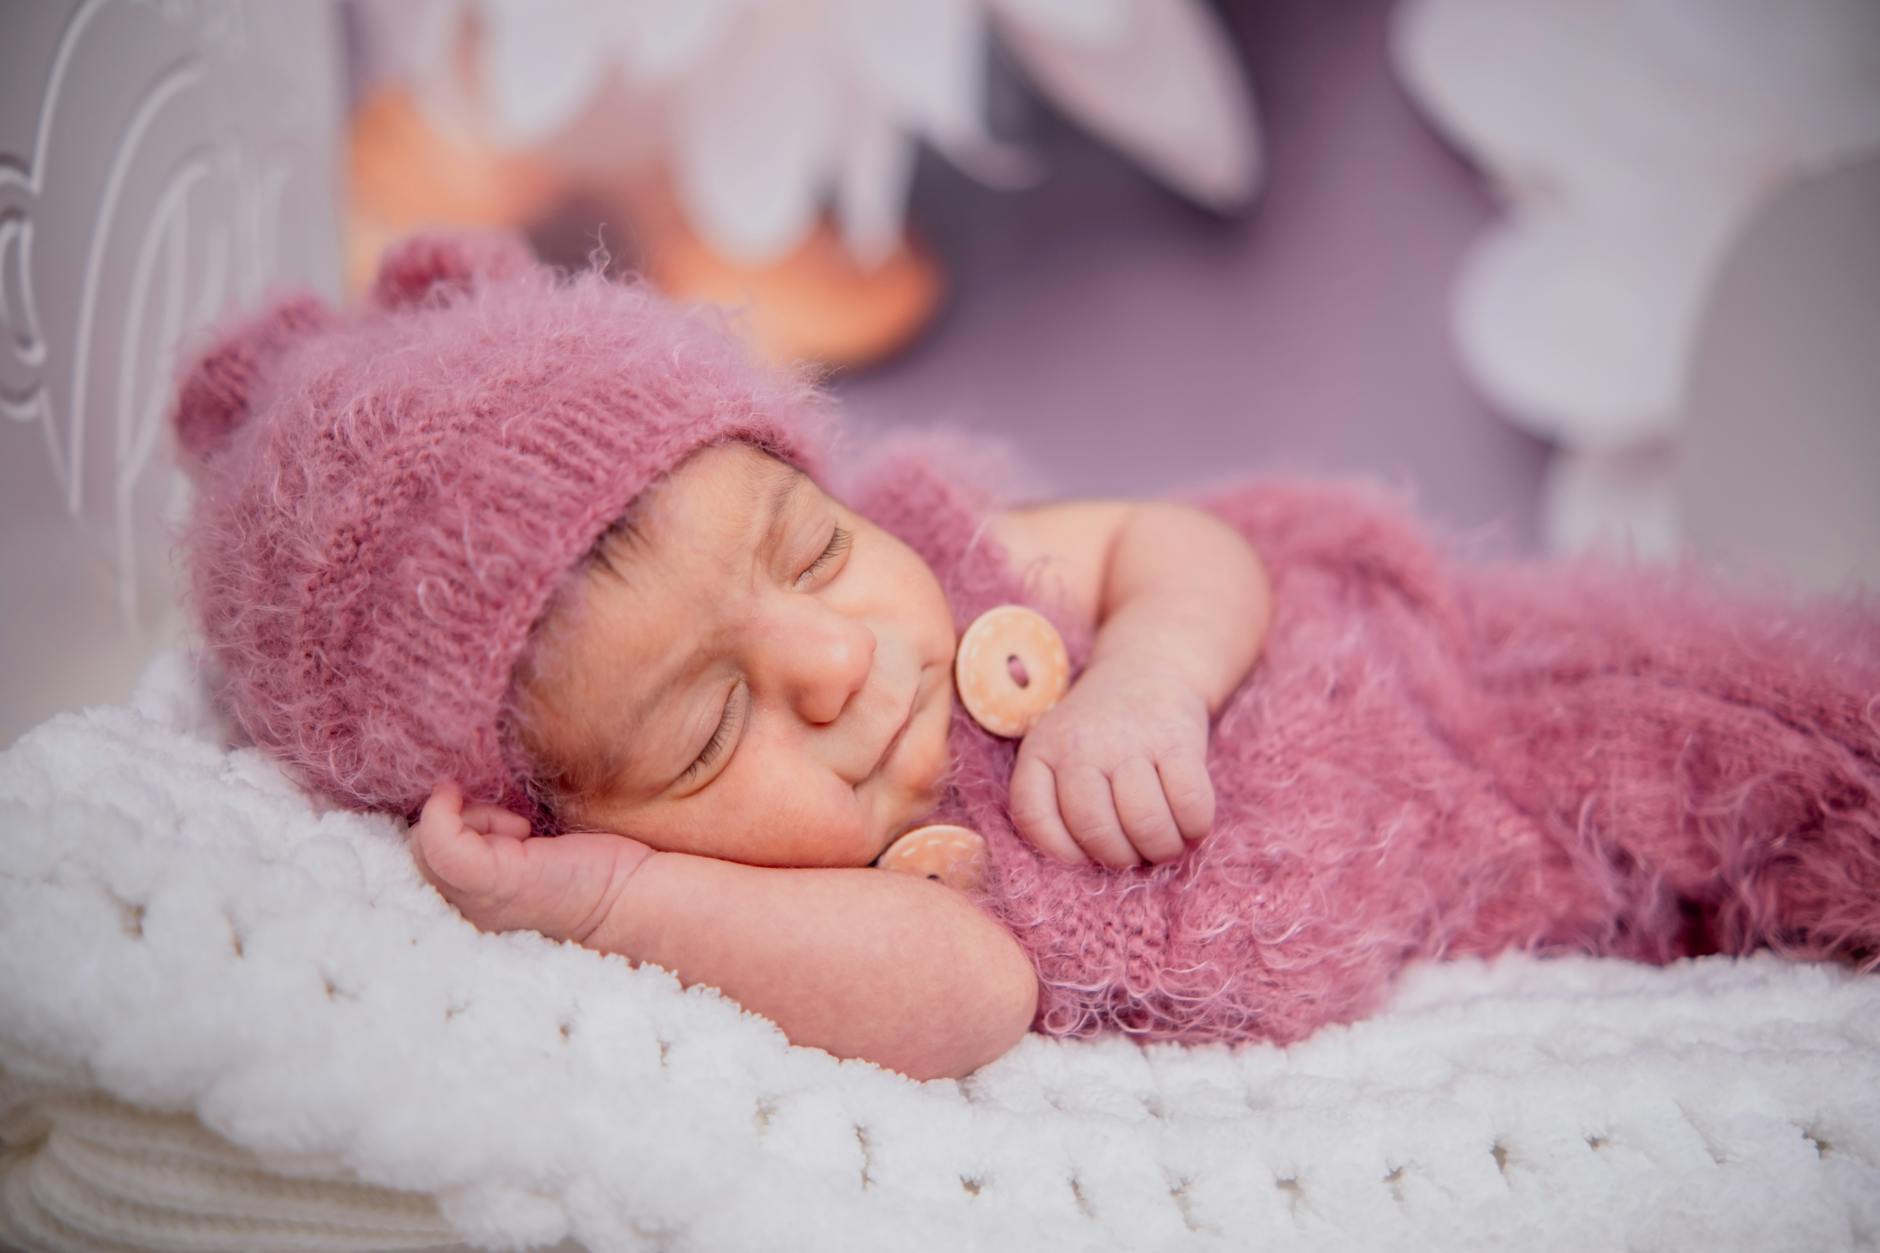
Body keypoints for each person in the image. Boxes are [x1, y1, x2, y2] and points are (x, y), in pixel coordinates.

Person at [173, 232, 1880, 1082]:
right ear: (565, 816)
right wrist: (607, 905)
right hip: (1506, 889)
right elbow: (970, 994)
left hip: (1480, 699)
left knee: (1801, 741)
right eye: (706, 725)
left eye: (811, 546)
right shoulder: (774, 911)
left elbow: (1185, 548)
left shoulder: (957, 544)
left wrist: (1148, 675)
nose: (835, 657)